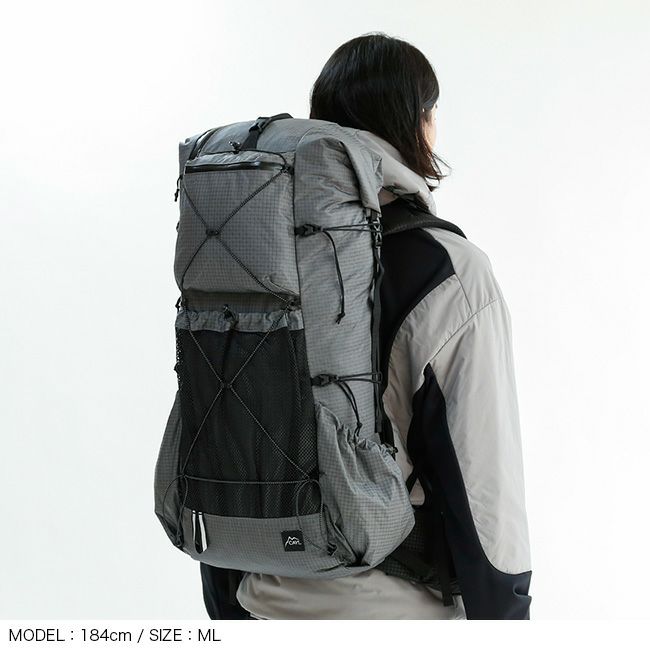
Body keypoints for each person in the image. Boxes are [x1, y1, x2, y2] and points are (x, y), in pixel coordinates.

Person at [200, 32, 532, 620]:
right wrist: (506, 616)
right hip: (392, 610)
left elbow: (225, 418)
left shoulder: (254, 248)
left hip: (261, 598)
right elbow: (483, 476)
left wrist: (228, 603)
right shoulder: (448, 269)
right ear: (420, 121)